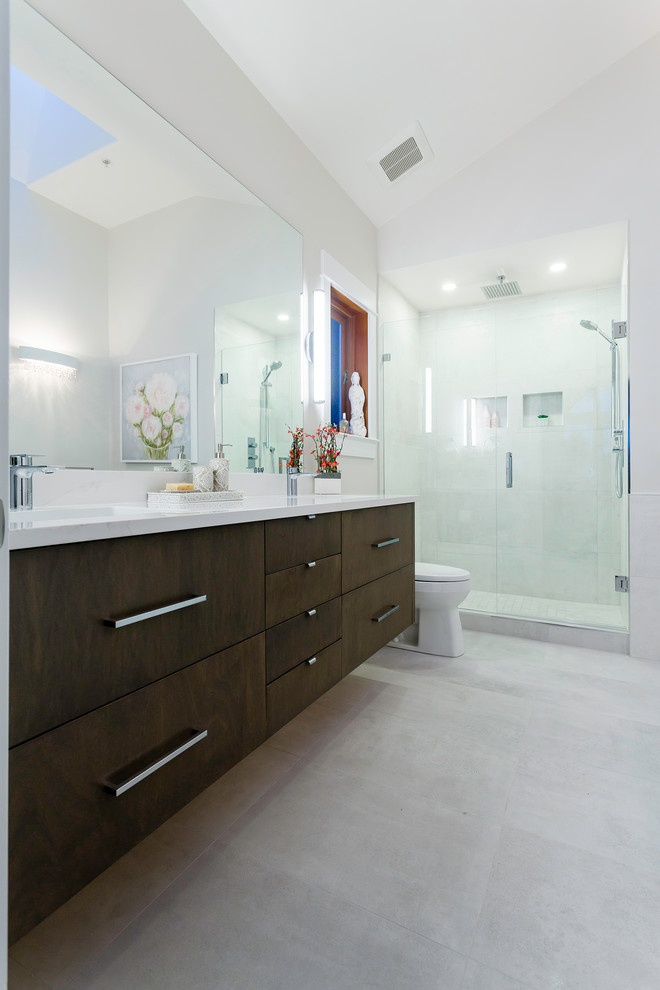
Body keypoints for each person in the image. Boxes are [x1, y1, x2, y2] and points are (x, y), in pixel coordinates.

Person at [348, 371, 367, 437]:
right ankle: (353, 429)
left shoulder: (360, 389)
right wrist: (354, 399)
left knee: (359, 416)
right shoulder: (351, 388)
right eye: (354, 378)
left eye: (356, 378)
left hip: (359, 405)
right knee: (354, 415)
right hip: (354, 404)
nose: (355, 379)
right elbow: (350, 397)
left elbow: (363, 398)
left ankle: (360, 429)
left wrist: (360, 402)